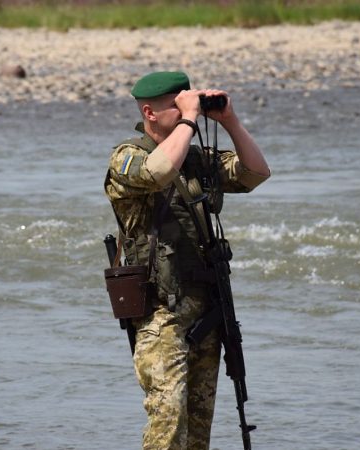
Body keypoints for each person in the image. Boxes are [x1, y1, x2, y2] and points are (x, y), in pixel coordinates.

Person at [104, 71, 271, 450]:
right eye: (175, 105)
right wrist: (190, 119)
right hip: (158, 313)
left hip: (205, 313)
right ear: (149, 112)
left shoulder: (197, 159)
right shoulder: (126, 157)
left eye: (187, 101)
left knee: (197, 432)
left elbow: (256, 173)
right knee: (168, 421)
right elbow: (159, 171)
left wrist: (230, 121)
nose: (185, 110)